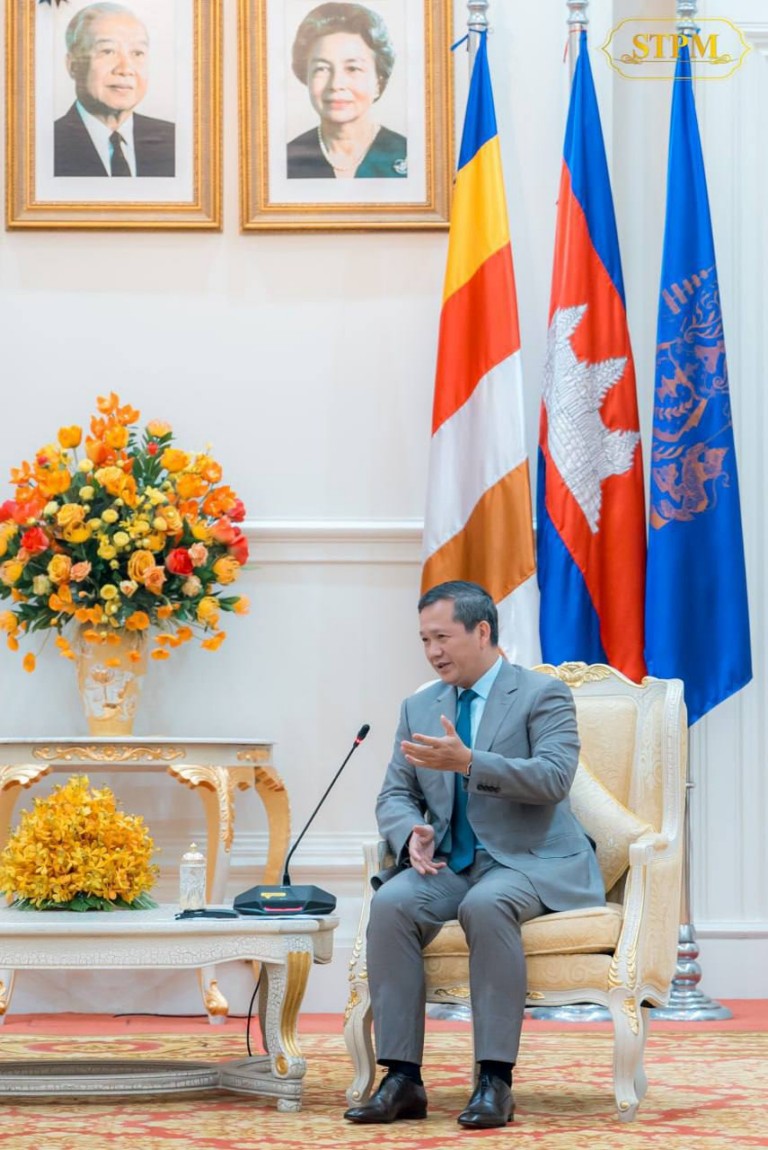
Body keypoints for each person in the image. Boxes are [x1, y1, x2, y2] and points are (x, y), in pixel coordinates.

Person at [343, 581, 605, 1129]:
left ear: (481, 631)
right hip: (451, 861)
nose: (432, 651)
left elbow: (554, 778)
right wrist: (410, 831)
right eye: (424, 640)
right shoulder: (419, 706)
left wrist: (469, 763)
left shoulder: (542, 694)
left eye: (442, 637)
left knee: (485, 905)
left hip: (527, 859)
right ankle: (402, 1078)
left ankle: (494, 1080)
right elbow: (395, 794)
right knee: (391, 904)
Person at [287, 2, 407, 180]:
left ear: (378, 82)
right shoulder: (287, 161)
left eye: (352, 68)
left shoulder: (409, 156)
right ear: (306, 76)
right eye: (322, 69)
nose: (336, 84)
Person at [54, 2, 175, 178]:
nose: (125, 69)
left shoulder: (175, 141)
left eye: (137, 53)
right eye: (108, 51)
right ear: (73, 65)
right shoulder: (45, 145)